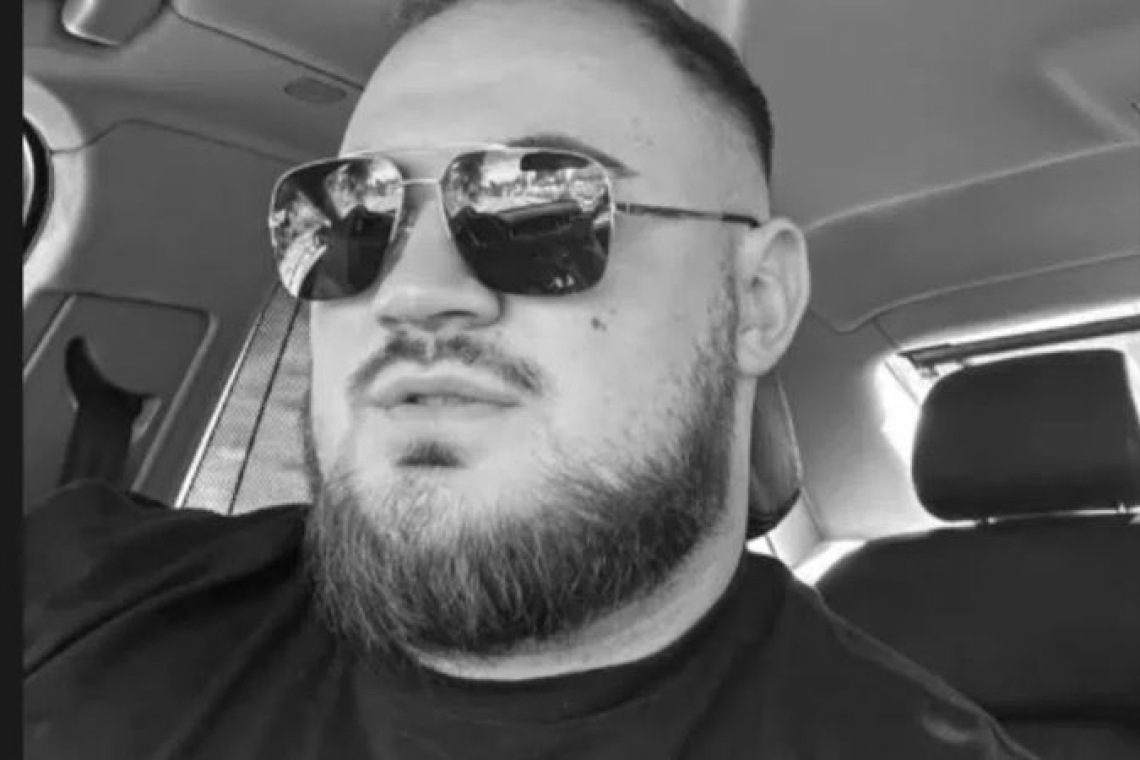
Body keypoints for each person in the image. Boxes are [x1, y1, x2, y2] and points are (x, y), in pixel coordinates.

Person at [23, 0, 1038, 757]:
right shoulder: (80, 594)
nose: (411, 292)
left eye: (540, 208)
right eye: (350, 217)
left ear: (758, 300)